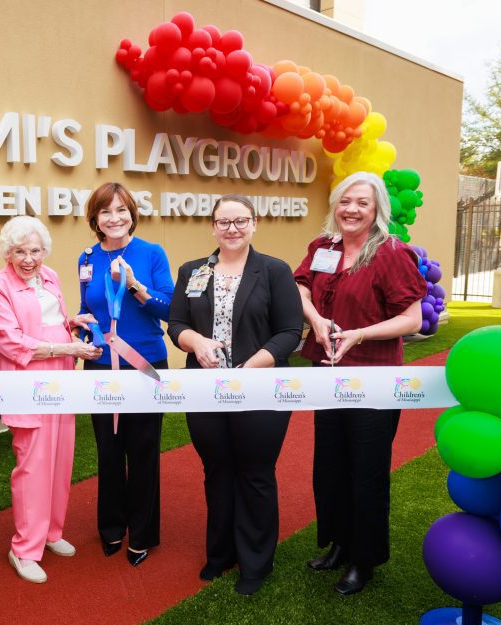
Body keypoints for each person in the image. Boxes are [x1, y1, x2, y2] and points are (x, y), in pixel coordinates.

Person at [293, 171, 424, 596]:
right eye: (345, 200)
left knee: (366, 470)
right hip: (326, 372)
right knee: (330, 462)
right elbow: (300, 287)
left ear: (377, 210)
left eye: (362, 203)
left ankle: (363, 560)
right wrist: (313, 319)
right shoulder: (323, 246)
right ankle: (339, 542)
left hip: (373, 376)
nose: (351, 209)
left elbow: (412, 318)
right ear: (335, 204)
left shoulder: (391, 253)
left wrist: (360, 334)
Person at [168, 194, 303, 596]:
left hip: (259, 389)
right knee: (217, 470)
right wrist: (197, 343)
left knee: (255, 473)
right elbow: (176, 324)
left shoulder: (275, 271)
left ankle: (256, 562)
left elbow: (290, 332)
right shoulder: (193, 270)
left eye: (240, 221)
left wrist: (251, 367)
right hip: (205, 391)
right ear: (212, 227)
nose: (232, 229)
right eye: (224, 222)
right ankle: (220, 553)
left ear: (254, 224)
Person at [0, 216, 101, 584]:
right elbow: (10, 340)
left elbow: (51, 320)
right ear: (8, 252)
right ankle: (24, 548)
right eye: (20, 251)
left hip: (62, 378)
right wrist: (66, 346)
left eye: (35, 250)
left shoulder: (49, 276)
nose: (29, 258)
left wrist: (73, 322)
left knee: (60, 460)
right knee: (32, 467)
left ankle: (51, 532)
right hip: (27, 384)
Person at [78, 183, 174, 566]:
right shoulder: (86, 257)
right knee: (108, 450)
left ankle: (143, 531)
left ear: (132, 213)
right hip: (101, 365)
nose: (114, 218)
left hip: (144, 364)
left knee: (144, 449)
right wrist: (81, 326)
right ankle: (112, 526)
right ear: (95, 219)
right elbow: (88, 306)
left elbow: (167, 308)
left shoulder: (151, 253)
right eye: (106, 212)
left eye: (121, 210)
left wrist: (134, 285)